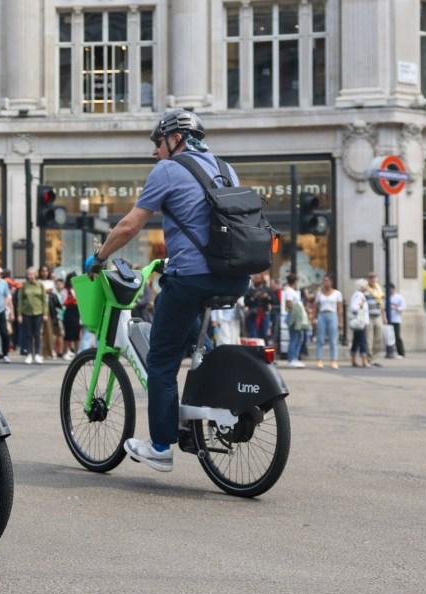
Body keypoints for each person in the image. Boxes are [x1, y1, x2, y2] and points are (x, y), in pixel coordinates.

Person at [89, 109, 250, 473]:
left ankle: (161, 446)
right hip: (234, 276)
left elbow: (130, 225)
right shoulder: (225, 167)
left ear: (175, 138)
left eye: (157, 143)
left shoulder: (168, 170)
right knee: (195, 341)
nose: (154, 152)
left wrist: (99, 256)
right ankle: (207, 398)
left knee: (161, 361)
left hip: (192, 278)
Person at [17, 266, 48, 364]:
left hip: (38, 312)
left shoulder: (40, 285)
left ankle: (38, 354)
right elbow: (20, 301)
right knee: (28, 334)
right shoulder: (24, 285)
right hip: (27, 313)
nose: (30, 276)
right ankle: (29, 354)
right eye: (28, 274)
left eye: (31, 274)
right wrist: (19, 314)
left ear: (35, 275)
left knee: (37, 334)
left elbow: (44, 300)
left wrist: (45, 313)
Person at [313, 275, 343, 368]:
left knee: (333, 339)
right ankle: (319, 359)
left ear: (331, 282)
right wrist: (314, 318)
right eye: (324, 281)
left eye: (327, 281)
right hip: (322, 314)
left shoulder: (337, 293)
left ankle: (334, 360)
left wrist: (341, 321)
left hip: (332, 314)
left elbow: (339, 308)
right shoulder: (319, 293)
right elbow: (315, 306)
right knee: (320, 339)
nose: (325, 283)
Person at [283, 274, 306, 368]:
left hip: (297, 316)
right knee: (294, 337)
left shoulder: (292, 291)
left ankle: (294, 358)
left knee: (299, 337)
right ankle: (292, 358)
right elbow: (289, 303)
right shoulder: (289, 291)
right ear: (295, 281)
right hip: (294, 316)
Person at [348, 279, 371, 368]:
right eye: (366, 285)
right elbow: (354, 307)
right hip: (360, 320)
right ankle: (364, 360)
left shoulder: (358, 294)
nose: (367, 287)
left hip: (359, 320)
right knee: (362, 341)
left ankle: (353, 359)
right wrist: (360, 305)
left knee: (356, 341)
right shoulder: (359, 295)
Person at [364, 273, 386, 366]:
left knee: (378, 338)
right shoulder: (365, 290)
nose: (373, 280)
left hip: (377, 316)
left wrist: (384, 316)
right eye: (371, 278)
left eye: (374, 278)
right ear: (368, 280)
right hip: (368, 316)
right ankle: (368, 358)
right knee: (369, 338)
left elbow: (381, 305)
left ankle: (375, 358)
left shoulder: (379, 290)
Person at [387, 282, 405, 358]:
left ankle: (401, 352)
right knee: (389, 337)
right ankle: (390, 352)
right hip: (388, 319)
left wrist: (395, 307)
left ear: (393, 289)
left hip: (396, 319)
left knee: (397, 336)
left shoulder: (399, 297)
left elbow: (403, 307)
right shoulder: (387, 297)